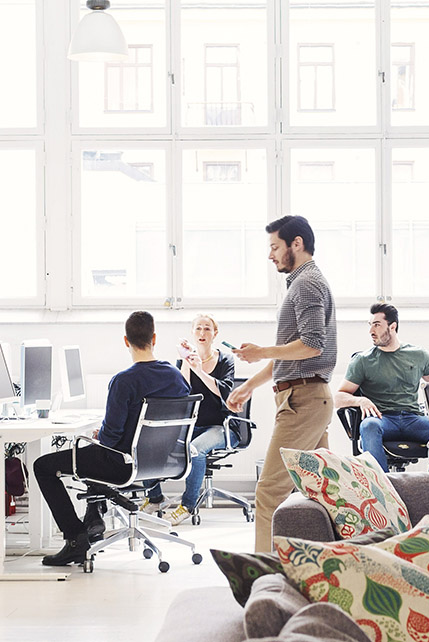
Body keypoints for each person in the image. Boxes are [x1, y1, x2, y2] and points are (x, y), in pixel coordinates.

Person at [33, 311, 190, 567]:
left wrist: (99, 435)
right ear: (154, 338)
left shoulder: (123, 381)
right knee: (88, 458)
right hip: (163, 462)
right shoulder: (175, 375)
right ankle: (93, 520)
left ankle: (76, 540)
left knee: (44, 466)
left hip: (121, 464)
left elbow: (110, 437)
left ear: (126, 341)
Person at [226, 215, 336, 552]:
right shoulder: (303, 282)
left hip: (302, 401)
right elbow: (294, 353)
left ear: (296, 244)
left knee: (269, 490)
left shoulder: (306, 284)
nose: (270, 254)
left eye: (275, 246)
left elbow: (312, 344)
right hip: (307, 396)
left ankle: (263, 574)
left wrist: (261, 352)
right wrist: (250, 385)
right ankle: (327, 561)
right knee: (323, 489)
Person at [335, 302, 429, 471]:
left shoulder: (418, 355)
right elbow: (339, 398)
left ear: (392, 327)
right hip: (383, 420)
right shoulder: (363, 360)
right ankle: (383, 488)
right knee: (368, 426)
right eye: (370, 325)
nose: (371, 331)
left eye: (377, 325)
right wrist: (361, 401)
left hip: (412, 419)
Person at [142, 314, 236, 525]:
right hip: (192, 425)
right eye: (198, 329)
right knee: (147, 443)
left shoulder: (225, 360)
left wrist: (200, 371)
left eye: (207, 329)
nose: (202, 333)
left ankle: (187, 506)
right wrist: (186, 362)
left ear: (215, 334)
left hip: (221, 426)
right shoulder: (185, 361)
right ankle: (155, 497)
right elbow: (181, 393)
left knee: (195, 449)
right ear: (192, 334)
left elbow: (225, 393)